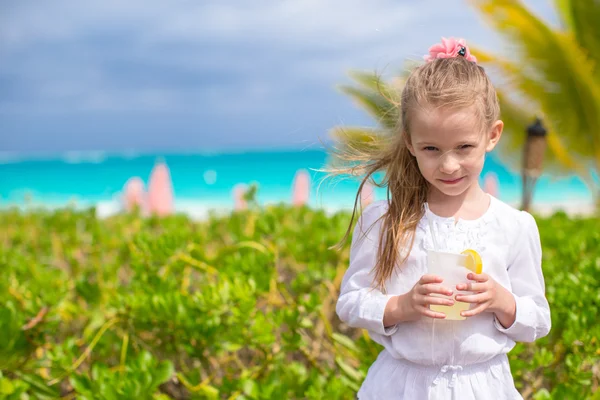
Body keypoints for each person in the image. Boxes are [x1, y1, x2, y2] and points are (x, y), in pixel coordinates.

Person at [334, 37, 551, 399]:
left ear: (491, 135)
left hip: (484, 387)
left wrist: (502, 300)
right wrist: (400, 306)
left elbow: (539, 320)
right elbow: (351, 302)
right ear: (409, 142)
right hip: (402, 387)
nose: (448, 165)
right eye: (431, 149)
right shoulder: (386, 219)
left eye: (464, 147)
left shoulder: (514, 226)